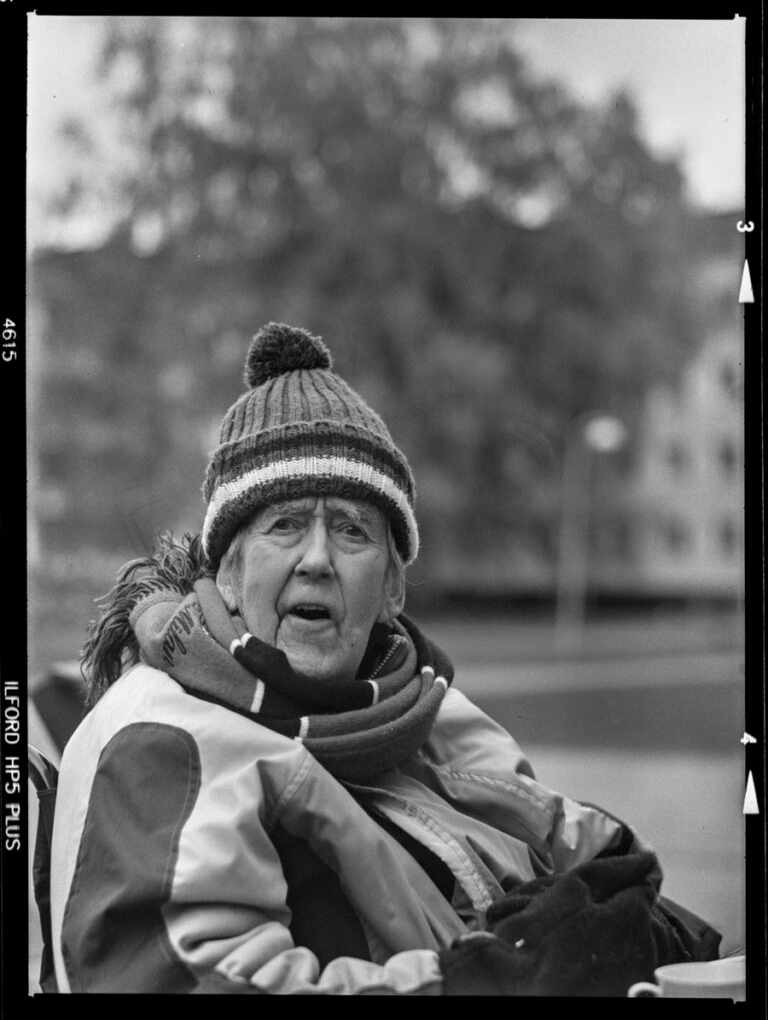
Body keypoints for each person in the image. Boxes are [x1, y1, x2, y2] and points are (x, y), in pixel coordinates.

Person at [48, 323, 720, 995]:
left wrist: (651, 928)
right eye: (283, 525)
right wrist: (480, 981)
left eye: (351, 530)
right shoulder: (163, 737)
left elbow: (576, 874)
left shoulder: (433, 714)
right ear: (227, 569)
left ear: (393, 584)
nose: (316, 559)